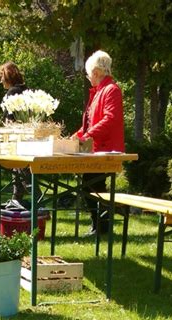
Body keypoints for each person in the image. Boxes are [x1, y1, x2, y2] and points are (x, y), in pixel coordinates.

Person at [71, 50, 125, 236]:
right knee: (91, 186)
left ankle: (102, 226)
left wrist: (87, 136)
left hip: (106, 150)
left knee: (91, 185)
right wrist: (76, 136)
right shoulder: (100, 92)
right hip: (97, 149)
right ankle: (100, 226)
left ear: (95, 72)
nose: (88, 79)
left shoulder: (111, 90)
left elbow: (110, 119)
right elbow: (88, 124)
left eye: (88, 75)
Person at [0, 61, 31, 210]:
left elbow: (9, 119)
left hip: (17, 137)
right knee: (20, 170)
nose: (0, 81)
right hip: (28, 135)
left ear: (8, 77)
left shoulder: (12, 92)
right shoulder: (26, 90)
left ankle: (38, 203)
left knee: (23, 172)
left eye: (2, 77)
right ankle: (16, 201)